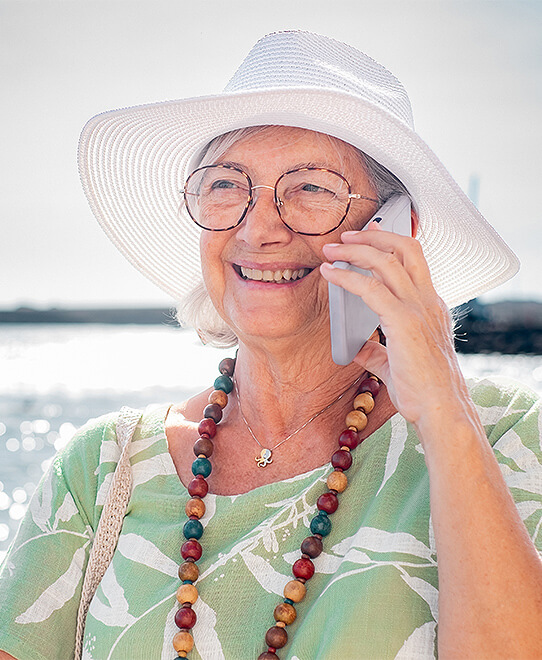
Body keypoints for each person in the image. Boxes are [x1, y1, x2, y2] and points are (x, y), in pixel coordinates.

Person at [0, 30, 541, 660]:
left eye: (311, 187)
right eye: (228, 185)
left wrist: (445, 415)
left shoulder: (506, 437)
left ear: (394, 230)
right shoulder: (100, 469)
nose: (260, 228)